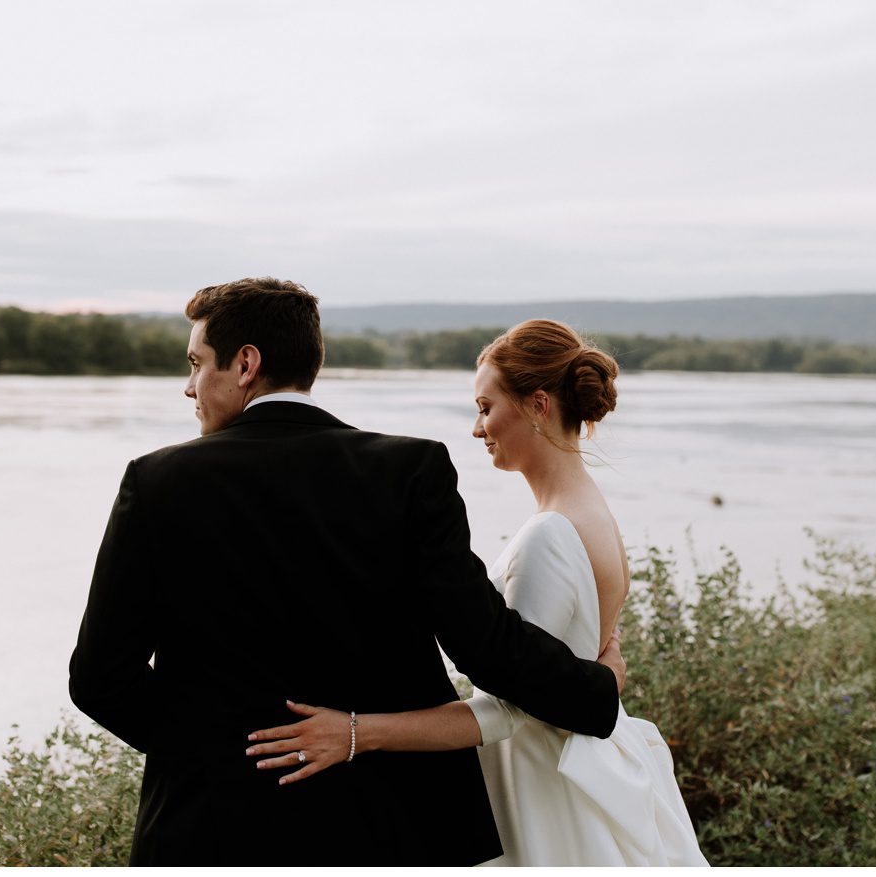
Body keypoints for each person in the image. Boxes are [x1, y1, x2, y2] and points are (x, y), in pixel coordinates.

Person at [68, 281, 626, 866]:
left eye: (196, 364)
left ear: (246, 364)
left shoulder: (156, 482)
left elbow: (100, 679)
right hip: (390, 826)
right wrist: (595, 689)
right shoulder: (409, 470)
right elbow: (486, 646)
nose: (190, 387)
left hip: (209, 830)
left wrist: (221, 753)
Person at [246, 319, 708, 866]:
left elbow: (513, 710)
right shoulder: (592, 514)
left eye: (486, 408)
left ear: (538, 405)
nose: (476, 428)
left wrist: (354, 733)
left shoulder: (550, 534)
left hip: (541, 787)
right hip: (582, 757)